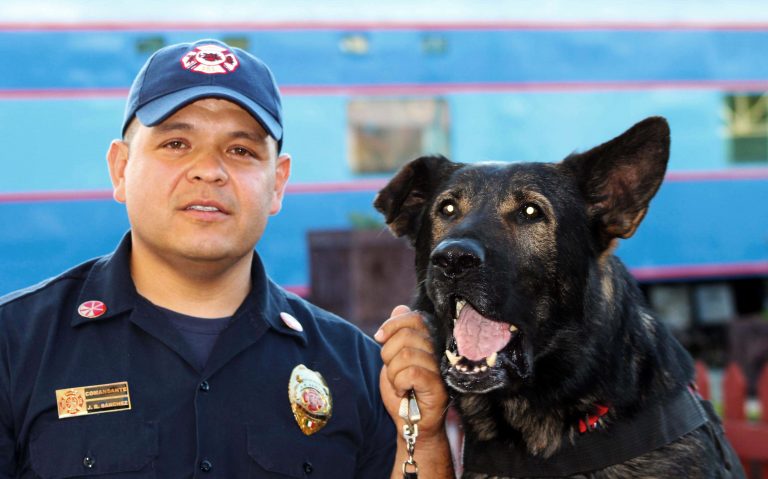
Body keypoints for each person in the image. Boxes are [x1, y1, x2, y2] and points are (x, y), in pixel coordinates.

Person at [0, 39, 454, 478]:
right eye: (176, 143)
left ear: (277, 183)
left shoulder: (357, 367)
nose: (209, 170)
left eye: (240, 150)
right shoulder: (16, 346)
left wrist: (426, 435)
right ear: (121, 169)